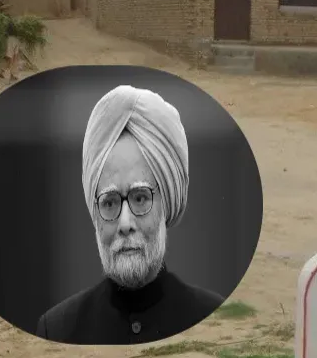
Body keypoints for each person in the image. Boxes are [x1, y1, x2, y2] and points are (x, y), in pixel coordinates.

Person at [35, 85, 224, 344]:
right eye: (110, 203)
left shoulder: (215, 319)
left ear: (164, 203)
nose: (125, 223)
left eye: (140, 198)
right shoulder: (57, 330)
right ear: (96, 213)